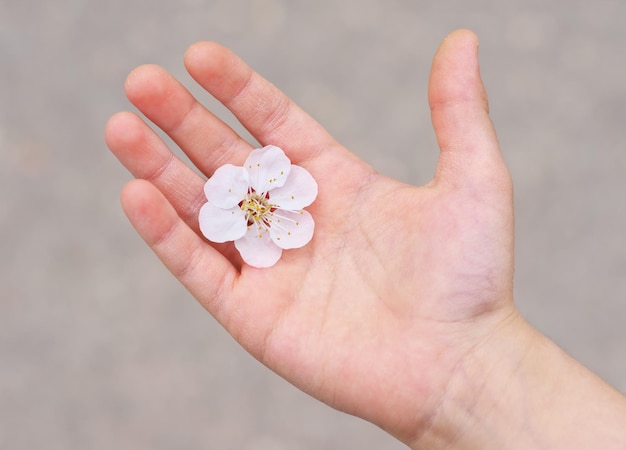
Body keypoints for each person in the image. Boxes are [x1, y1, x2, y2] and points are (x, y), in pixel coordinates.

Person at [105, 29, 626, 448]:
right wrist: (474, 371)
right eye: (254, 205)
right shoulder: (237, 206)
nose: (258, 206)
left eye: (258, 203)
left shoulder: (280, 205)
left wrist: (471, 364)